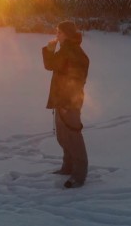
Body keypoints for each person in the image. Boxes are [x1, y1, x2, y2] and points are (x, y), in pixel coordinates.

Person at [42, 20, 90, 188]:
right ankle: (68, 167)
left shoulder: (71, 51)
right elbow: (54, 66)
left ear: (67, 35)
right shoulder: (67, 50)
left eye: (59, 32)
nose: (57, 35)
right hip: (62, 100)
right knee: (63, 136)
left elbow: (52, 66)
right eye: (57, 32)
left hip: (69, 102)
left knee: (73, 137)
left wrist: (49, 50)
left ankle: (79, 174)